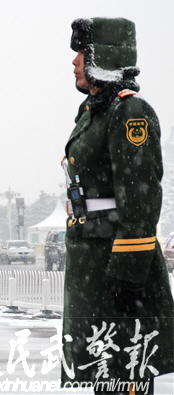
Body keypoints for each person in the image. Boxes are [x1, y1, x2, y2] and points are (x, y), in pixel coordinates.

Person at [62, 17, 174, 394]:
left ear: (101, 57)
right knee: (106, 368)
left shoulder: (129, 112)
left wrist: (128, 269)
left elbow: (140, 197)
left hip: (117, 260)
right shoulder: (96, 112)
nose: (75, 61)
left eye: (82, 52)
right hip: (97, 254)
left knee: (125, 371)